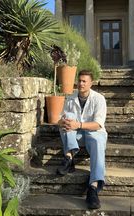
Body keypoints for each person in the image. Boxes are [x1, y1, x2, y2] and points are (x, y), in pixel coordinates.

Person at [57, 69, 107, 209]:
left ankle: (93, 188)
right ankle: (68, 157)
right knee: (66, 125)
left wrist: (77, 124)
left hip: (94, 133)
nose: (81, 84)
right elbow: (60, 119)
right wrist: (64, 123)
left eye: (84, 81)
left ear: (91, 83)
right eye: (79, 80)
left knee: (97, 142)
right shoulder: (71, 97)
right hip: (77, 135)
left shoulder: (99, 99)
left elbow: (98, 124)